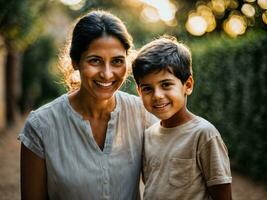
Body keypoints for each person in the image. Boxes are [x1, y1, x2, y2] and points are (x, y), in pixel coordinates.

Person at [18, 10, 157, 200]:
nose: (107, 74)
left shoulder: (143, 115)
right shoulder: (41, 126)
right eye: (95, 61)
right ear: (75, 62)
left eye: (117, 61)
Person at [132, 36, 232, 200]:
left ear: (188, 85)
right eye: (147, 88)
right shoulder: (148, 136)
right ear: (139, 91)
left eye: (166, 84)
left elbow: (222, 194)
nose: (157, 96)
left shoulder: (204, 134)